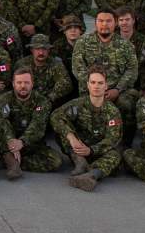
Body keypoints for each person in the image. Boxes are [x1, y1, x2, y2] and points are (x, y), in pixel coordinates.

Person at [71, 8, 139, 146]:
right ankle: (90, 143)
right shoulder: (83, 43)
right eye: (101, 21)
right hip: (91, 90)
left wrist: (118, 90)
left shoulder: (126, 45)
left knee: (127, 103)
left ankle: (124, 145)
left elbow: (132, 70)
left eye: (108, 21)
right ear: (95, 23)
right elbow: (78, 69)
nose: (104, 24)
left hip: (117, 91)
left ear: (115, 23)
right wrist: (95, 89)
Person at [51, 65, 123, 193]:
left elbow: (113, 138)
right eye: (93, 82)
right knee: (63, 126)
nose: (96, 86)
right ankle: (79, 162)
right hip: (77, 147)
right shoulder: (78, 104)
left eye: (100, 83)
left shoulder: (112, 111)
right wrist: (71, 137)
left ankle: (90, 175)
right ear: (88, 85)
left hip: (97, 151)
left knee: (116, 154)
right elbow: (55, 116)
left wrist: (90, 150)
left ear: (106, 86)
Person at [0, 68, 61, 178]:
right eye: (19, 82)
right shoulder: (3, 99)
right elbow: (2, 124)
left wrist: (22, 142)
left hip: (31, 143)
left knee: (56, 161)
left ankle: (11, 162)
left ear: (32, 84)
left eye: (26, 82)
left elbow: (38, 126)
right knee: (1, 134)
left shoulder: (42, 101)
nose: (23, 86)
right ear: (13, 84)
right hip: (8, 143)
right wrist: (12, 141)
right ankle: (9, 158)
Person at [14, 34, 74, 110]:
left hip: (49, 102)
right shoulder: (22, 64)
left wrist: (50, 97)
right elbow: (15, 84)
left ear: (49, 50)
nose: (41, 53)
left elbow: (66, 84)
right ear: (31, 50)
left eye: (44, 49)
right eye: (37, 49)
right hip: (26, 100)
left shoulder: (56, 63)